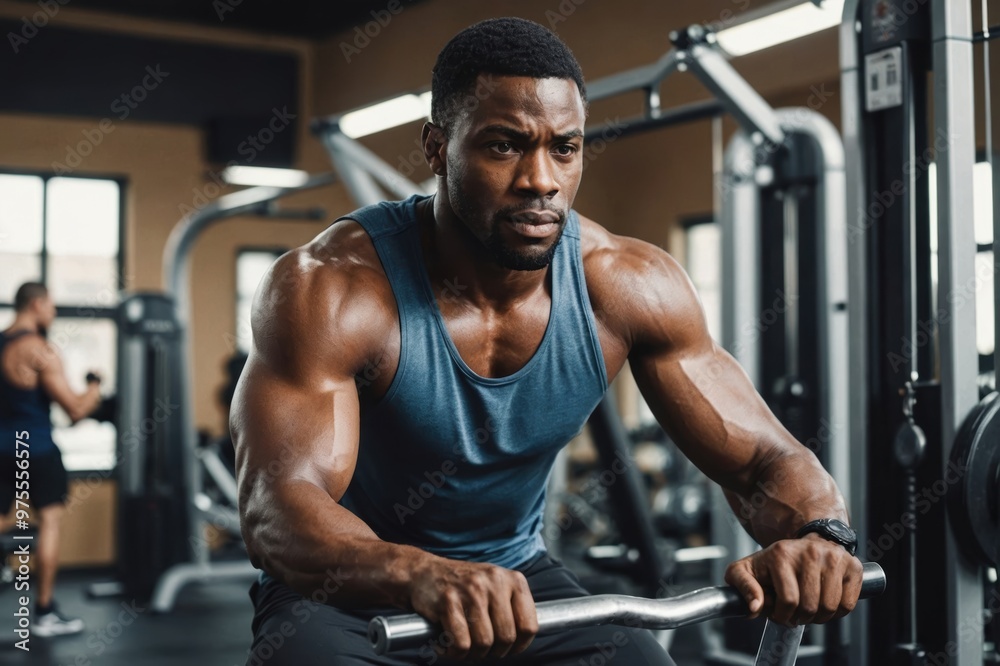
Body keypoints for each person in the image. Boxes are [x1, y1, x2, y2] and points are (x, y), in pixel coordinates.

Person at [233, 17, 863, 665]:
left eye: (564, 148)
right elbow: (278, 508)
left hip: (516, 582)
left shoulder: (626, 286)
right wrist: (420, 574)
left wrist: (821, 534)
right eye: (504, 146)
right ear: (435, 148)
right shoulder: (333, 290)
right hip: (346, 595)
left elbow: (763, 459)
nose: (541, 179)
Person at [0, 282, 100, 637]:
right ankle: (43, 613)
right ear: (37, 304)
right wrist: (94, 387)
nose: (54, 312)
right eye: (51, 305)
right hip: (36, 448)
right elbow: (74, 410)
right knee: (50, 522)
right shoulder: (40, 350)